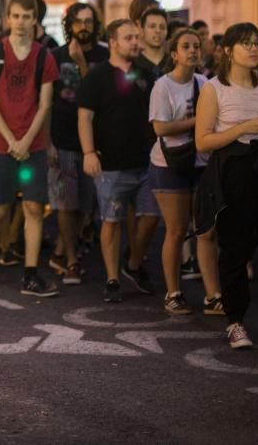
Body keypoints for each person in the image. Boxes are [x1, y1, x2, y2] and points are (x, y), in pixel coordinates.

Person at [0, 0, 60, 297]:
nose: (21, 22)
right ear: (7, 19)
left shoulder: (44, 57)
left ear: (35, 20)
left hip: (32, 144)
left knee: (34, 207)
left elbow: (45, 104)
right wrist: (12, 140)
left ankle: (31, 275)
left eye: (27, 16)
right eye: (16, 16)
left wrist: (28, 141)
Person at [194, 23, 258, 349]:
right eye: (245, 44)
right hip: (234, 171)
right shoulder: (214, 89)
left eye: (256, 43)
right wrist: (243, 127)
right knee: (235, 248)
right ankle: (235, 321)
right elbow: (202, 141)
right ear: (228, 50)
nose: (254, 49)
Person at [78, 19, 160, 303]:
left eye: (137, 37)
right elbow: (85, 117)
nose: (136, 42)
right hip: (110, 164)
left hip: (147, 162)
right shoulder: (97, 76)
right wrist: (88, 152)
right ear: (113, 42)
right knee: (111, 222)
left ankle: (133, 264)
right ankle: (112, 279)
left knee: (151, 217)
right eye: (129, 38)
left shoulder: (148, 74)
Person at [148, 29, 222, 315]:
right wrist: (197, 121)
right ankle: (173, 292)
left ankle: (213, 295)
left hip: (200, 162)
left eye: (196, 46)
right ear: (174, 54)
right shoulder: (162, 86)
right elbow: (161, 128)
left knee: (206, 229)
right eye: (186, 46)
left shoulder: (205, 83)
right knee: (177, 229)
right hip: (170, 164)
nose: (193, 51)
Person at [47, 2, 109, 285]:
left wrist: (83, 65)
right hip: (62, 140)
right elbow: (45, 102)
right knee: (64, 203)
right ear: (69, 25)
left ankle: (68, 243)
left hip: (96, 143)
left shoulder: (105, 56)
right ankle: (70, 259)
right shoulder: (55, 56)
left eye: (89, 21)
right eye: (78, 22)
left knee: (88, 204)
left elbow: (99, 96)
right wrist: (46, 141)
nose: (84, 27)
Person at [136, 7, 172, 76]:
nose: (158, 31)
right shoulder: (133, 64)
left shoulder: (175, 63)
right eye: (152, 26)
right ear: (142, 30)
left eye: (162, 27)